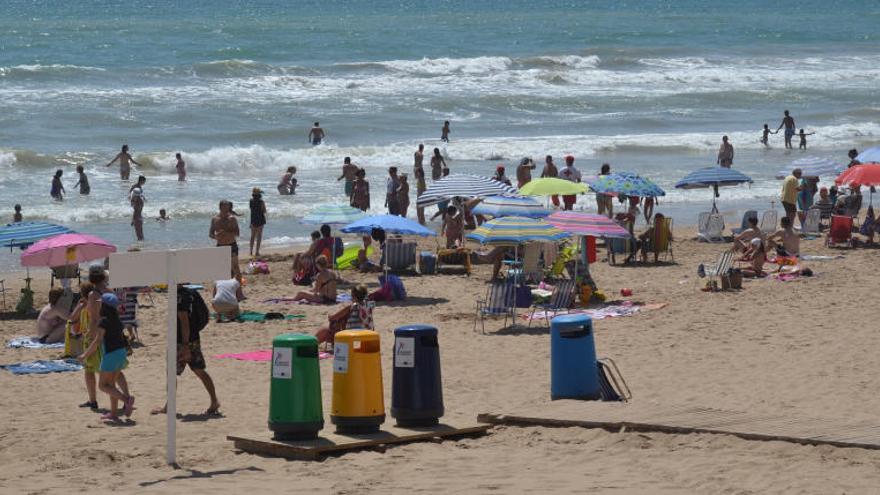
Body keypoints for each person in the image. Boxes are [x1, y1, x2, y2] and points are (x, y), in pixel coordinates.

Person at [152, 285, 220, 416]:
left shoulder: (180, 297)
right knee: (199, 370)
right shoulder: (190, 293)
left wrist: (184, 345)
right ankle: (214, 401)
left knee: (172, 373)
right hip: (193, 338)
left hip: (181, 341)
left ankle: (169, 406)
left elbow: (184, 321)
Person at [80, 293, 135, 422]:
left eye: (100, 303)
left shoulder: (103, 321)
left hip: (111, 355)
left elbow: (97, 341)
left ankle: (127, 400)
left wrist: (84, 355)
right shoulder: (117, 320)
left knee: (103, 386)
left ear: (104, 305)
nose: (98, 305)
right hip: (120, 353)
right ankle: (114, 413)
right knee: (111, 386)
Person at [210, 200, 241, 277]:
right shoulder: (215, 219)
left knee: (235, 267)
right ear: (220, 207)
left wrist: (226, 233)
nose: (227, 209)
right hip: (220, 245)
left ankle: (238, 286)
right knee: (221, 268)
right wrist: (216, 236)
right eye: (225, 207)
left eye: (228, 207)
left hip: (231, 245)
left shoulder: (232, 219)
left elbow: (237, 233)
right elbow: (210, 234)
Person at [249, 187, 267, 257]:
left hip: (253, 219)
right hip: (260, 219)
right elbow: (264, 211)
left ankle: (250, 251)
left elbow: (252, 211)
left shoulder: (250, 201)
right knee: (259, 236)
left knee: (252, 236)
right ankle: (257, 251)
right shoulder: (261, 202)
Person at [130, 176, 146, 241]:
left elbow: (135, 211)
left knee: (138, 233)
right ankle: (142, 243)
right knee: (140, 233)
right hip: (140, 217)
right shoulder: (141, 201)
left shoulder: (137, 202)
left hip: (137, 218)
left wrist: (132, 220)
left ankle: (140, 244)